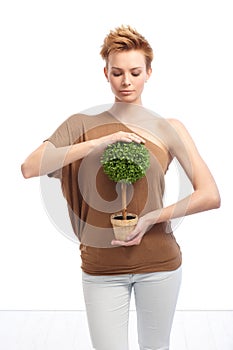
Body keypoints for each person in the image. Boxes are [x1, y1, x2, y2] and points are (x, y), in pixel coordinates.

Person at [21, 25, 220, 350]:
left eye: (135, 72)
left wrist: (151, 217)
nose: (126, 81)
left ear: (148, 73)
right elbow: (30, 167)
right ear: (106, 74)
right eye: (117, 72)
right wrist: (99, 143)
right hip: (101, 268)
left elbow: (210, 194)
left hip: (159, 264)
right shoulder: (80, 125)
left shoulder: (168, 128)